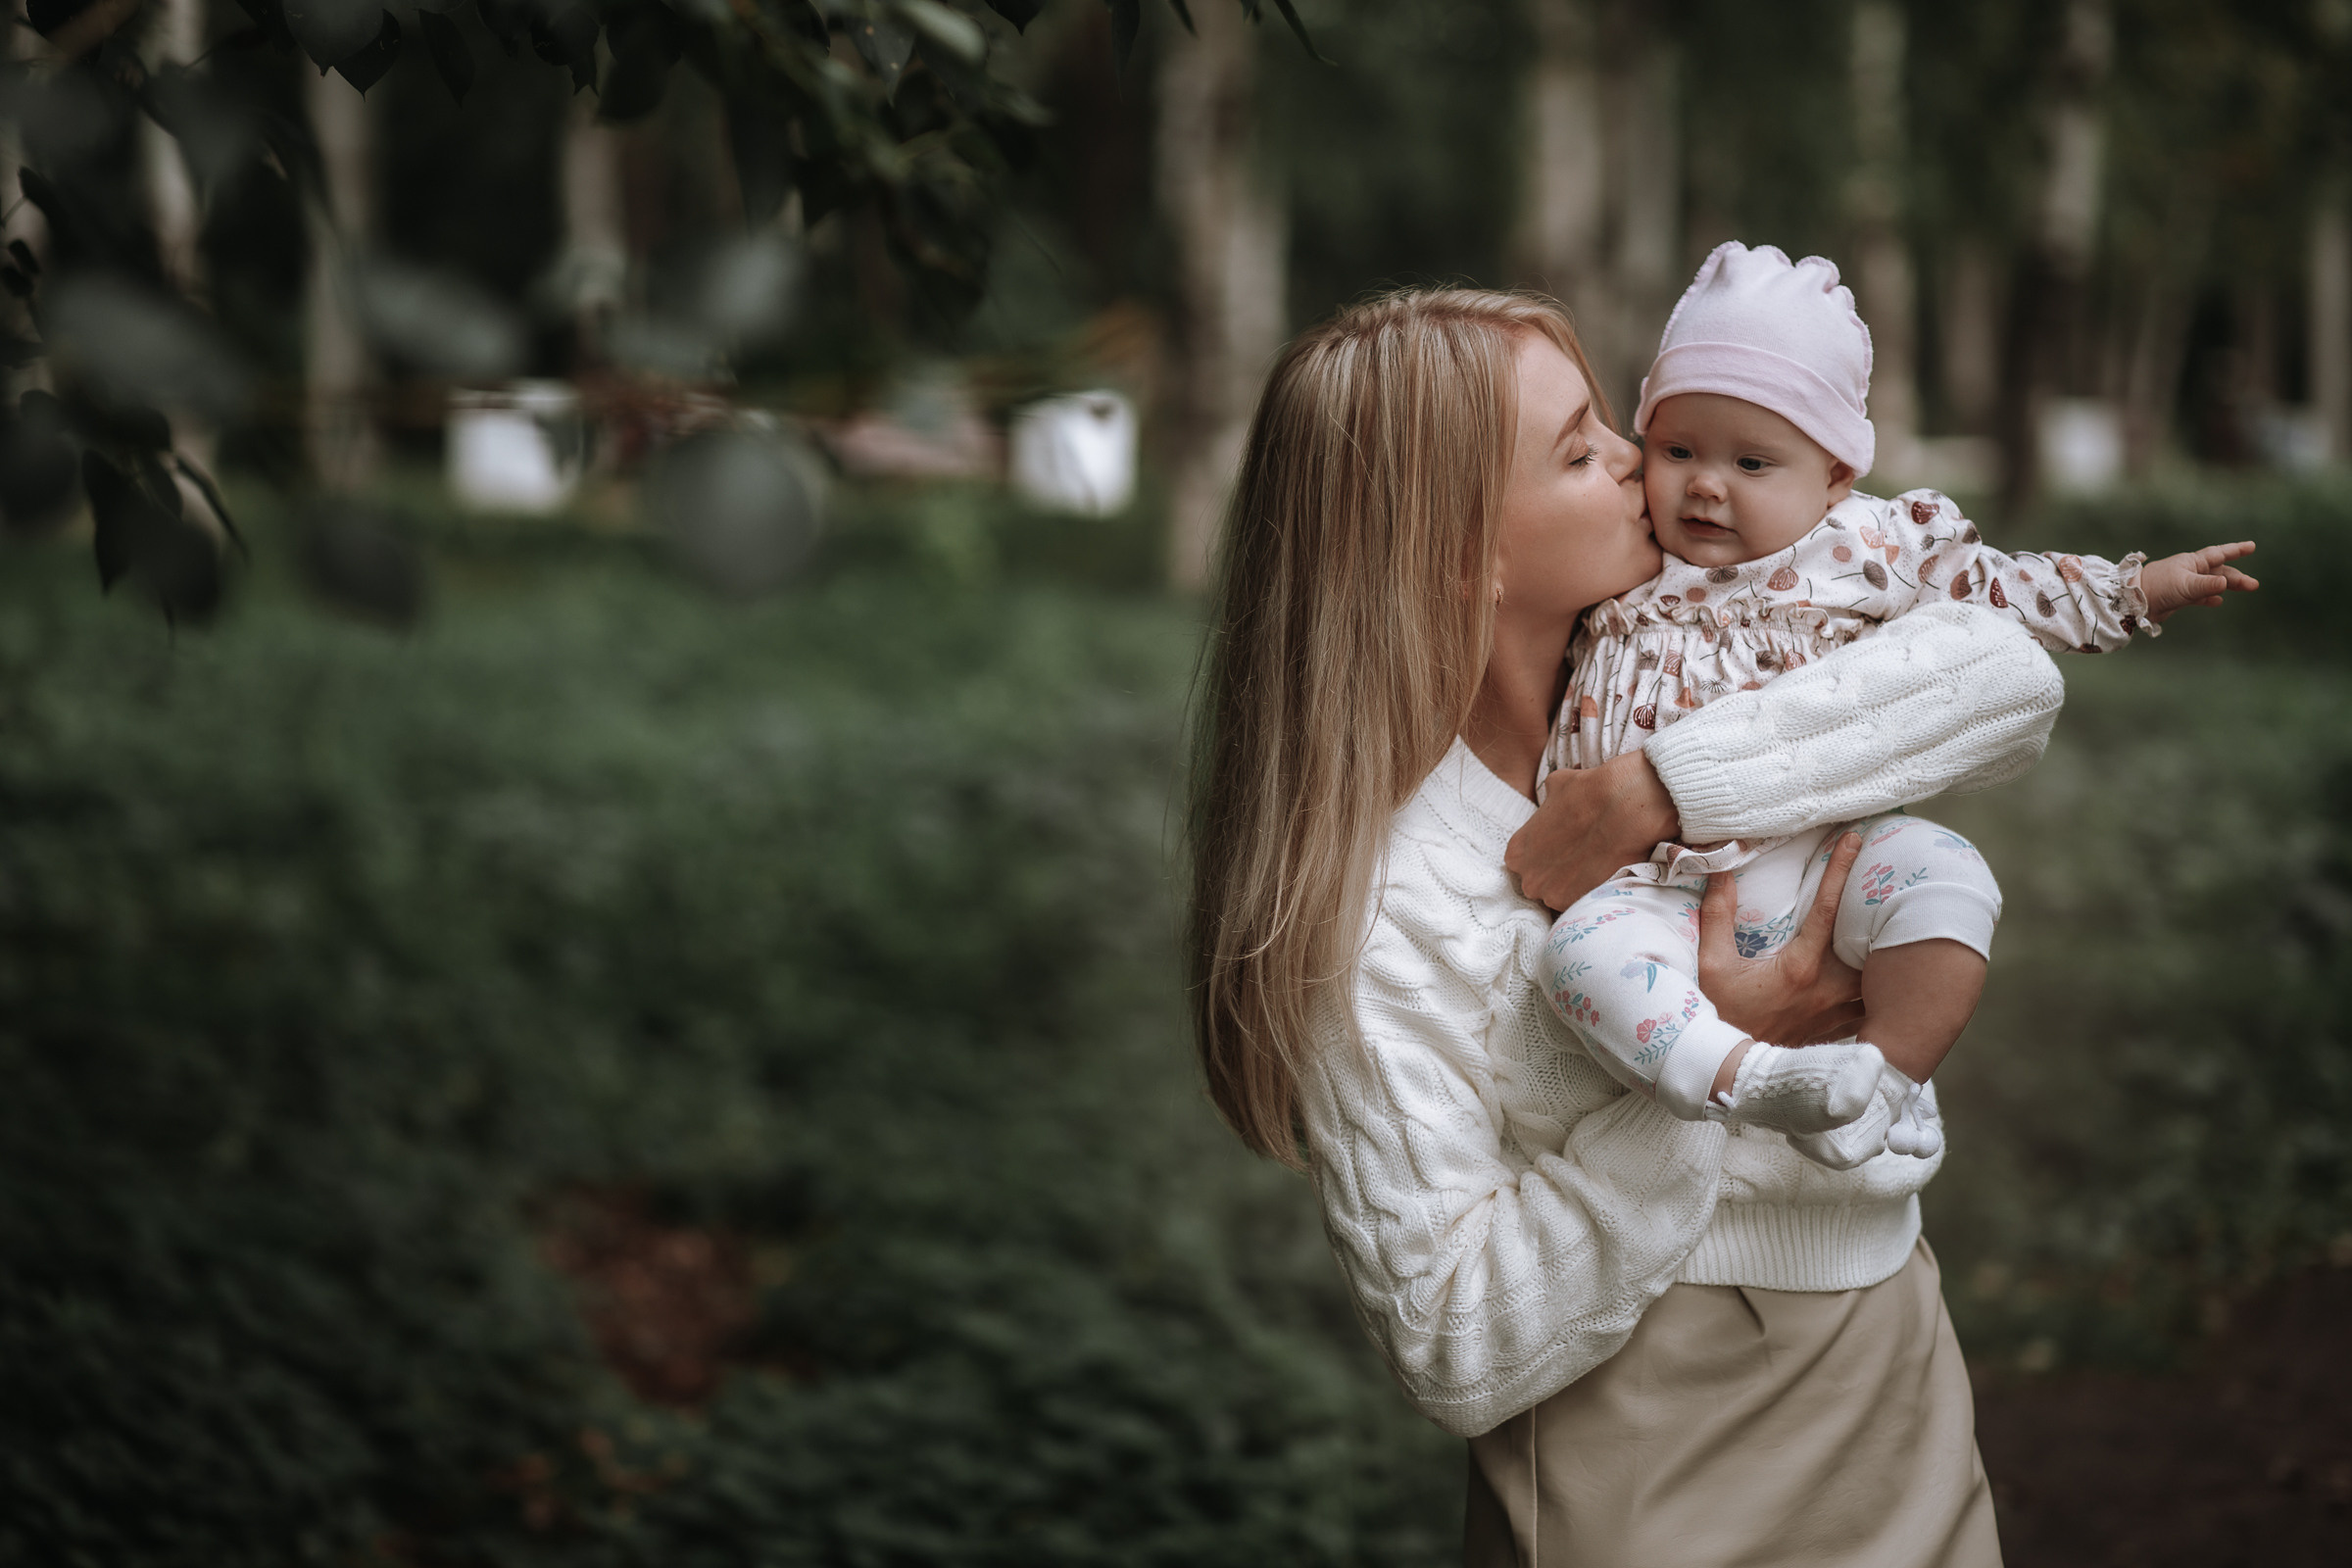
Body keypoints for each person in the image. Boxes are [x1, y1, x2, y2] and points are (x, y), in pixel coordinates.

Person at [1187, 288, 2067, 1566]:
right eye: (1578, 447)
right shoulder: (1378, 904)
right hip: (1653, 1457)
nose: (1637, 456)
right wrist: (1709, 1071)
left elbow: (2010, 673)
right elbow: (1454, 1340)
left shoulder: (1693, 662)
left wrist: (1666, 787)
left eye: (1609, 420)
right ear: (1455, 553)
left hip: (1891, 1362)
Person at [1536, 242, 2258, 1167]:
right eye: (1677, 450)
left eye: (1753, 463)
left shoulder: (1867, 545)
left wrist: (2135, 590)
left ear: (1837, 474)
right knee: (1582, 961)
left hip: (1829, 852)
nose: (1706, 484)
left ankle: (1884, 1082)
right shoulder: (1629, 551)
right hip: (1656, 886)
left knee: (1947, 875)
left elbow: (2001, 592)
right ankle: (1751, 1079)